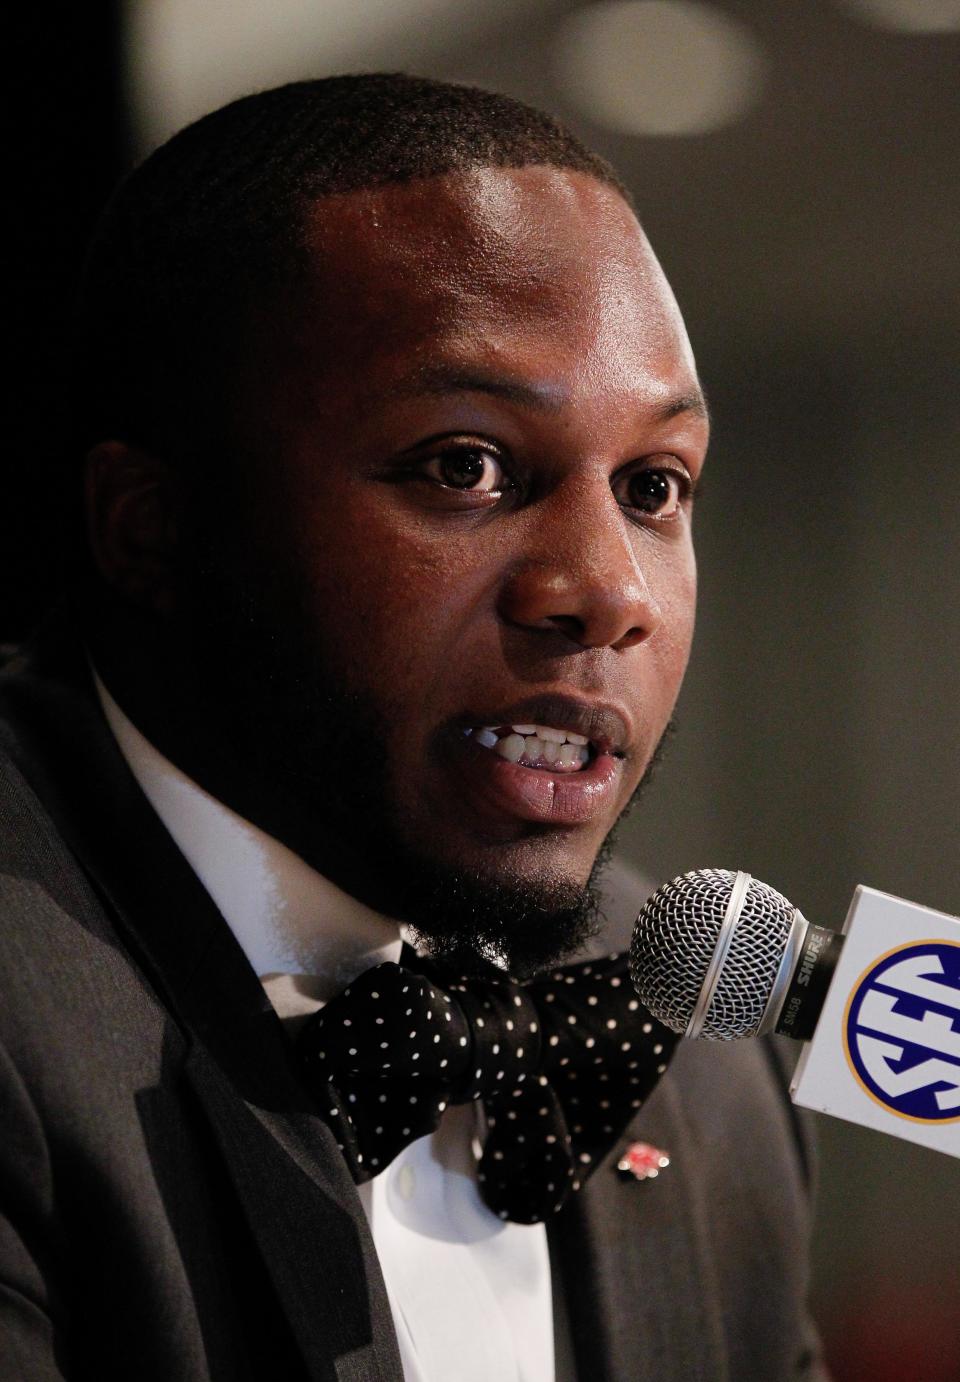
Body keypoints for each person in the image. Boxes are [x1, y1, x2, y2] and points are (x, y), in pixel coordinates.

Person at [0, 74, 824, 1380]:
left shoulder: (700, 1050)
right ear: (152, 527)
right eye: (465, 464)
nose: (607, 593)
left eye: (655, 485)